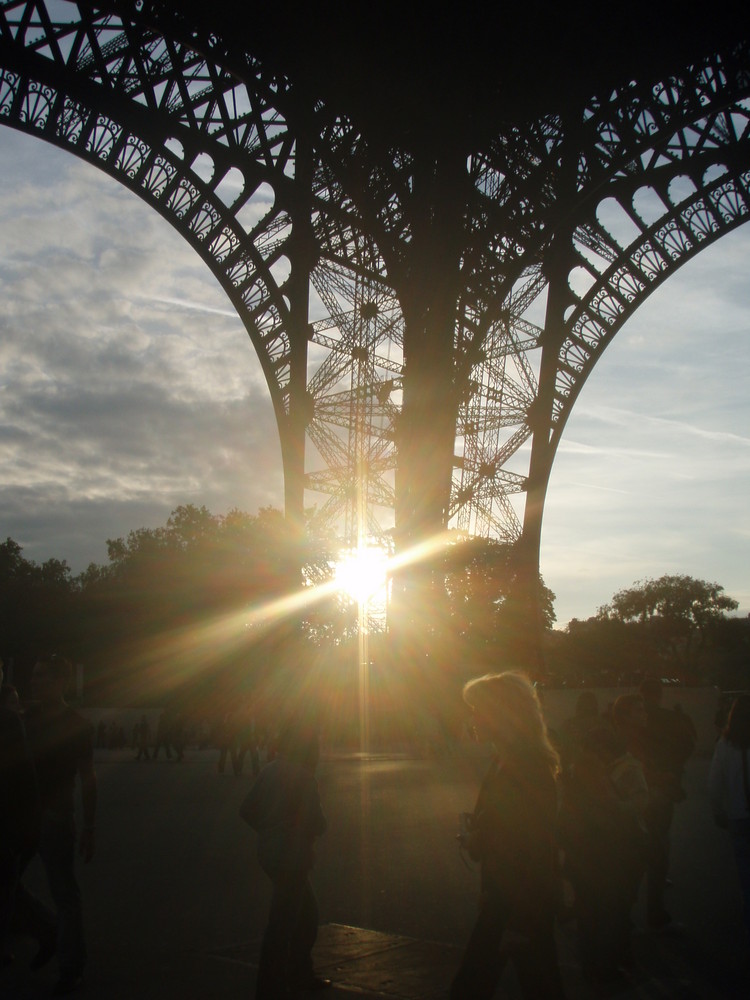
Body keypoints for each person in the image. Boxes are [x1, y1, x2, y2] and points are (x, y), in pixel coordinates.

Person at [450, 671, 565, 999]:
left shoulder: (525, 769)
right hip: (510, 901)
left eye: (478, 709)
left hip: (515, 904)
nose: (472, 717)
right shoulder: (506, 761)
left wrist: (520, 920)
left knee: (471, 985)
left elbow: (538, 848)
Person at [240, 718, 330, 999]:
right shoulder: (305, 778)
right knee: (284, 925)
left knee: (305, 915)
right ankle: (273, 986)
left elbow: (247, 810)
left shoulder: (270, 770)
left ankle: (297, 974)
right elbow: (318, 823)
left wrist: (269, 828)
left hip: (270, 853)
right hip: (292, 858)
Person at [24, 655, 97, 996]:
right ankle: (54, 938)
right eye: (35, 677)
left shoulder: (68, 724)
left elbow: (88, 777)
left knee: (64, 893)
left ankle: (69, 962)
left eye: (42, 678)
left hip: (52, 815)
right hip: (27, 813)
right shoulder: (31, 718)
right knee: (61, 892)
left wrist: (89, 826)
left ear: (60, 683)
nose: (34, 682)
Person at [638, 677, 696, 929]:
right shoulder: (671, 718)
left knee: (637, 841)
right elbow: (689, 743)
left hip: (635, 788)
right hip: (662, 787)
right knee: (659, 845)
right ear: (659, 694)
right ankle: (655, 911)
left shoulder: (632, 720)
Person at [709, 694, 750, 941]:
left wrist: (717, 810)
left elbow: (714, 784)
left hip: (737, 816)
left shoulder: (725, 744)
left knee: (745, 875)